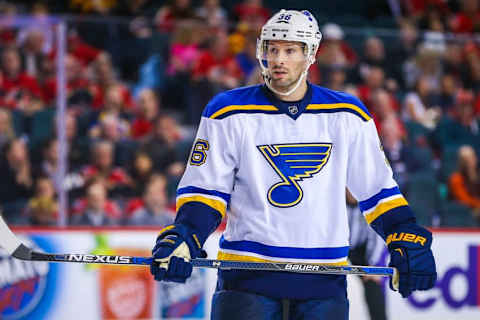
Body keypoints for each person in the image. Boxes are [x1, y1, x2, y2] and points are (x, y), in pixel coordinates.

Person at [149, 9, 437, 320]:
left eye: (289, 50)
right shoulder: (227, 111)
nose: (278, 60)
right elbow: (206, 192)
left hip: (323, 286)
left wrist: (404, 234)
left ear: (310, 54)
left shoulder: (348, 114)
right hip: (246, 282)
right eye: (272, 49)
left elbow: (378, 192)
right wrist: (186, 235)